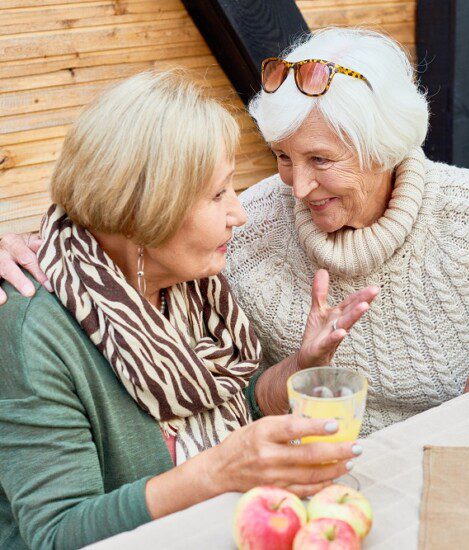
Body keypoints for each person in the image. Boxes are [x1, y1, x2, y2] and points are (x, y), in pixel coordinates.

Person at [3, 28, 469, 438]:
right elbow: (133, 225)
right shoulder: (250, 221)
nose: (297, 188)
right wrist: (30, 249)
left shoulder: (468, 212)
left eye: (321, 160)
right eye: (283, 157)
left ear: (384, 148)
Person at [0, 70, 377, 549]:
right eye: (218, 194)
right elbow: (56, 536)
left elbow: (234, 407)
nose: (238, 213)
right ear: (145, 210)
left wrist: (302, 366)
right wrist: (217, 471)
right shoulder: (33, 330)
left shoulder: (192, 289)